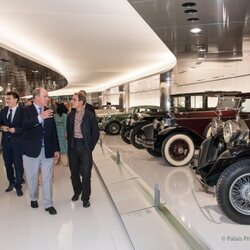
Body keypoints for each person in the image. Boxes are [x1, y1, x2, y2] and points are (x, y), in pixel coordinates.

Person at [22, 87, 60, 215]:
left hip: (48, 151)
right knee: (32, 177)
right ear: (37, 97)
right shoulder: (26, 110)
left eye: (47, 96)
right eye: (45, 96)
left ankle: (48, 204)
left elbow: (53, 131)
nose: (47, 98)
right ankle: (33, 198)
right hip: (31, 151)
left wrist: (56, 149)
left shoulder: (49, 111)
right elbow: (24, 126)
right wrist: (40, 117)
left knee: (47, 178)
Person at [67, 92, 99, 207]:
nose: (72, 101)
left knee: (86, 174)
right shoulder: (70, 115)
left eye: (74, 99)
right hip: (73, 147)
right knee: (74, 172)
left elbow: (96, 134)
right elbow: (69, 132)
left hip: (85, 147)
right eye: (72, 99)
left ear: (81, 102)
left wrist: (89, 147)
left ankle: (86, 197)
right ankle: (77, 191)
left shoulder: (90, 116)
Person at [0, 91, 24, 196]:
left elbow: (26, 127)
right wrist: (1, 127)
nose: (7, 100)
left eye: (9, 98)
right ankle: (11, 182)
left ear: (16, 99)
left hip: (18, 143)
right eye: (6, 98)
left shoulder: (23, 111)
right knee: (7, 164)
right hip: (6, 143)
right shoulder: (4, 111)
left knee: (18, 165)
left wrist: (16, 130)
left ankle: (18, 186)